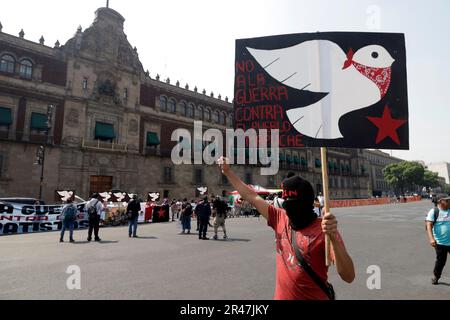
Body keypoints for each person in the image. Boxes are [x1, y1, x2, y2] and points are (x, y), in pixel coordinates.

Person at [218, 156, 355, 300]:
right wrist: (227, 172)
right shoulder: (280, 217)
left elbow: (348, 276)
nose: (290, 212)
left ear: (308, 204)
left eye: (295, 206)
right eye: (287, 206)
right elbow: (251, 196)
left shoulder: (324, 230)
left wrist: (333, 238)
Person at [426, 194, 450, 285]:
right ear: (440, 201)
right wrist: (431, 238)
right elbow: (429, 225)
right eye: (447, 200)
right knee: (441, 262)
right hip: (441, 243)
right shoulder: (434, 211)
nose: (449, 202)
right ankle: (436, 276)